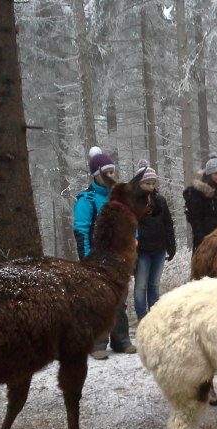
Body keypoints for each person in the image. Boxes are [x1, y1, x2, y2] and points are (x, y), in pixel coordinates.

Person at [73, 146, 136, 360]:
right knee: (99, 300)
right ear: (96, 175)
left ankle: (122, 340)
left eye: (112, 172)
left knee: (120, 298)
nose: (111, 176)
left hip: (119, 258)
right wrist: (87, 258)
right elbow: (81, 230)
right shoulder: (87, 200)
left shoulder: (117, 197)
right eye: (106, 173)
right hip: (97, 259)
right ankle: (97, 343)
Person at [133, 160, 176, 321]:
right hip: (141, 251)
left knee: (154, 285)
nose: (151, 187)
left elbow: (168, 224)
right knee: (140, 286)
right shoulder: (133, 202)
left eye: (153, 183)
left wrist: (171, 246)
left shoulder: (160, 201)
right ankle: (142, 318)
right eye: (147, 183)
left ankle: (154, 318)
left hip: (159, 249)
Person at [183, 152, 217, 251]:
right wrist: (202, 240)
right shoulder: (198, 192)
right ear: (209, 174)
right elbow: (195, 218)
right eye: (216, 173)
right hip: (206, 239)